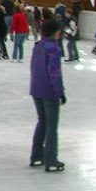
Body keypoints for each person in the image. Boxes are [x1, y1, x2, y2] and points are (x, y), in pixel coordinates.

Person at [29, 20, 66, 172]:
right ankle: (51, 159)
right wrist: (60, 92)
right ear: (55, 32)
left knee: (42, 122)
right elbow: (54, 73)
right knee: (51, 126)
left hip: (36, 89)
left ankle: (37, 155)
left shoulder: (38, 46)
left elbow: (33, 67)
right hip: (49, 91)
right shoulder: (53, 48)